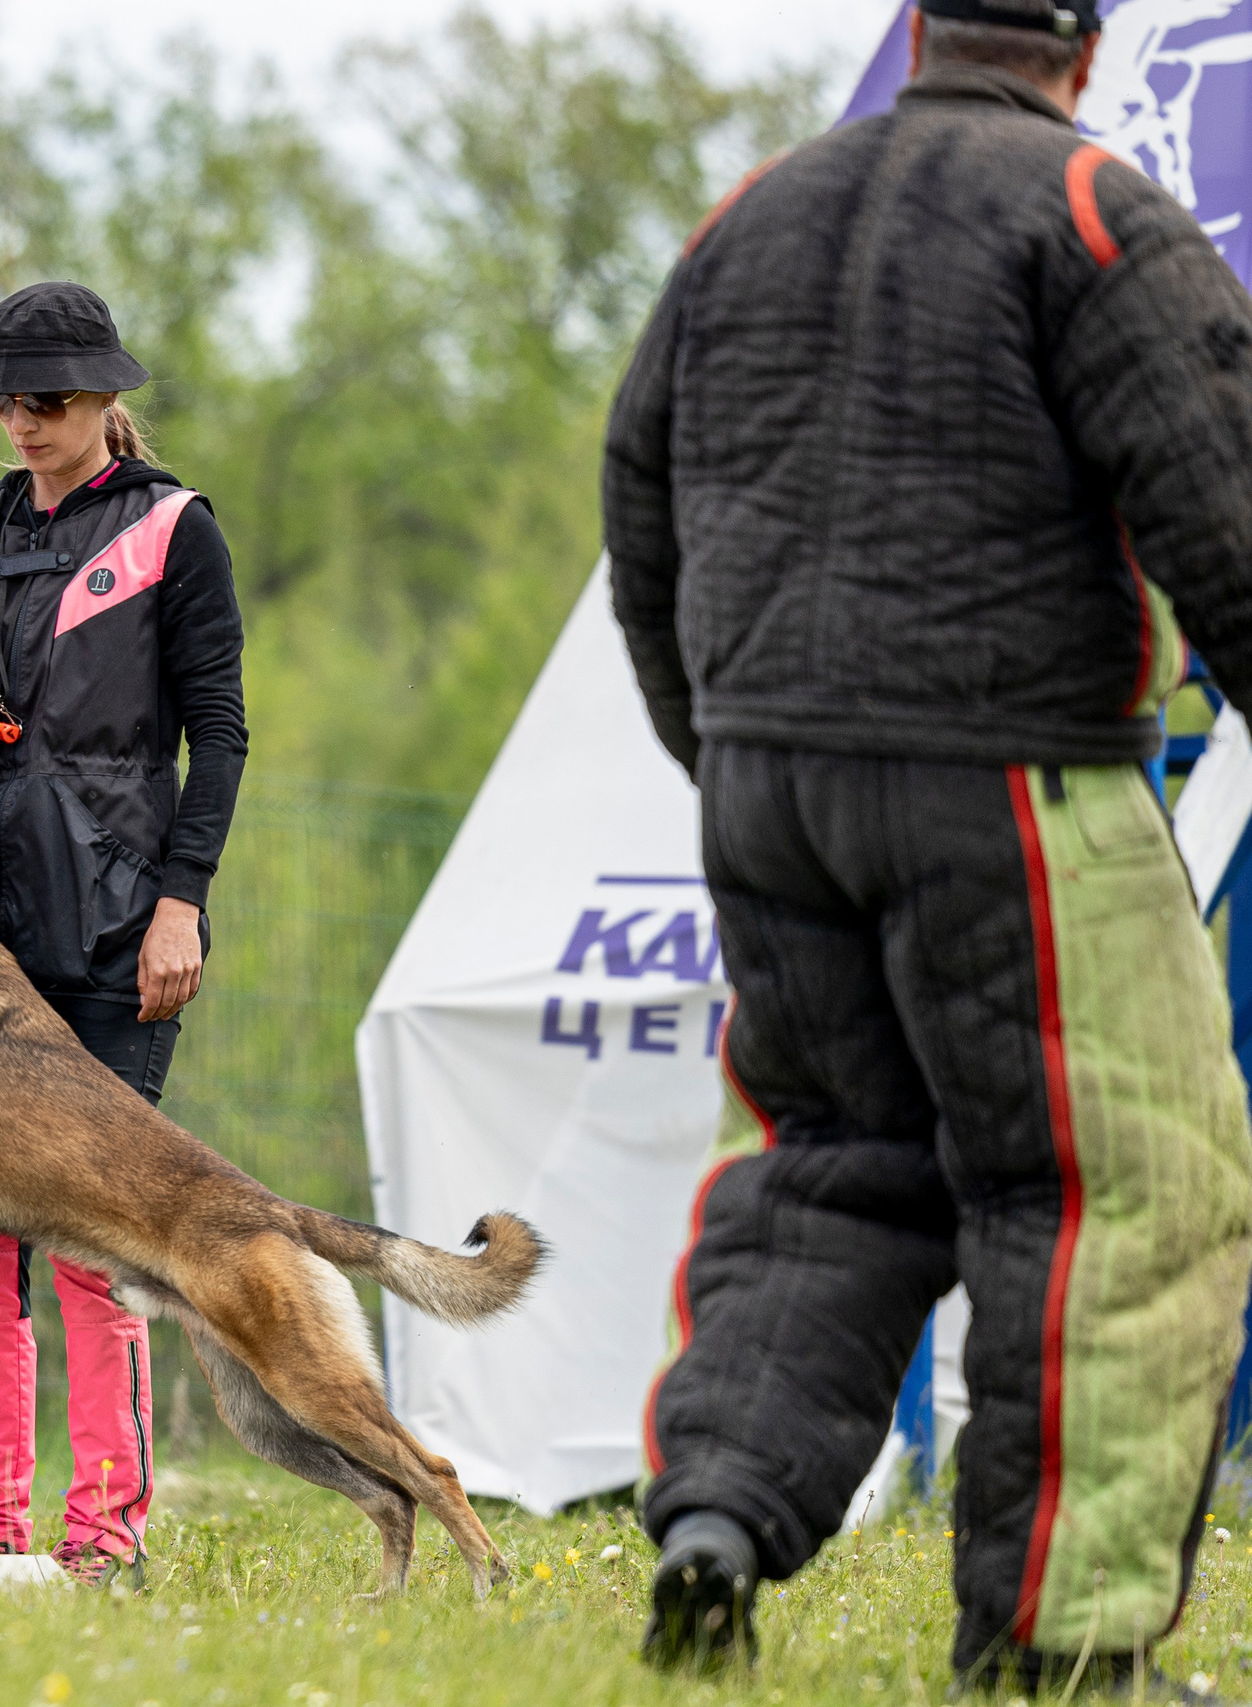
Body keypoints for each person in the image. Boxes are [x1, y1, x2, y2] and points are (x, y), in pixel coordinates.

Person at [604, 0, 1252, 1687]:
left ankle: (718, 1512)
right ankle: (1059, 1640)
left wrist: (726, 747)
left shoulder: (748, 218)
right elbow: (1225, 504)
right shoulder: (1092, 209)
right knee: (1122, 1190)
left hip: (769, 781)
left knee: (832, 1163)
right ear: (1082, 51)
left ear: (924, 32)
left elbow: (638, 504)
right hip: (1016, 781)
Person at [0, 281, 249, 1588]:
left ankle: (105, 1537)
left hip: (120, 936)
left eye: (47, 399)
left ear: (109, 395)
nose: (23, 422)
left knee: (95, 1253)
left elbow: (218, 734)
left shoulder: (176, 531)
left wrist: (183, 902)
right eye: (3, 400)